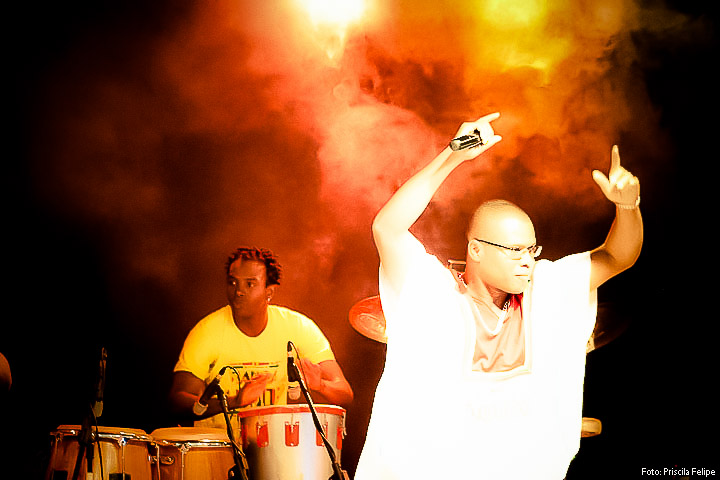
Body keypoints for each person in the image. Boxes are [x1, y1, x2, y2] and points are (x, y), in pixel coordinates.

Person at [355, 113, 642, 479]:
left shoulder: (547, 289)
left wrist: (628, 207)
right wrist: (453, 156)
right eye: (514, 250)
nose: (527, 261)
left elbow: (617, 256)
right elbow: (387, 227)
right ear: (476, 250)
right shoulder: (433, 294)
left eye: (531, 250)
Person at [169, 247, 353, 431]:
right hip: (219, 444)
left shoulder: (298, 327)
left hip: (271, 444)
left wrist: (321, 385)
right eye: (233, 282)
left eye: (249, 284)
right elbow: (178, 401)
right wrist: (234, 401)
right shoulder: (208, 331)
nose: (238, 291)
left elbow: (345, 394)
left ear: (269, 292)